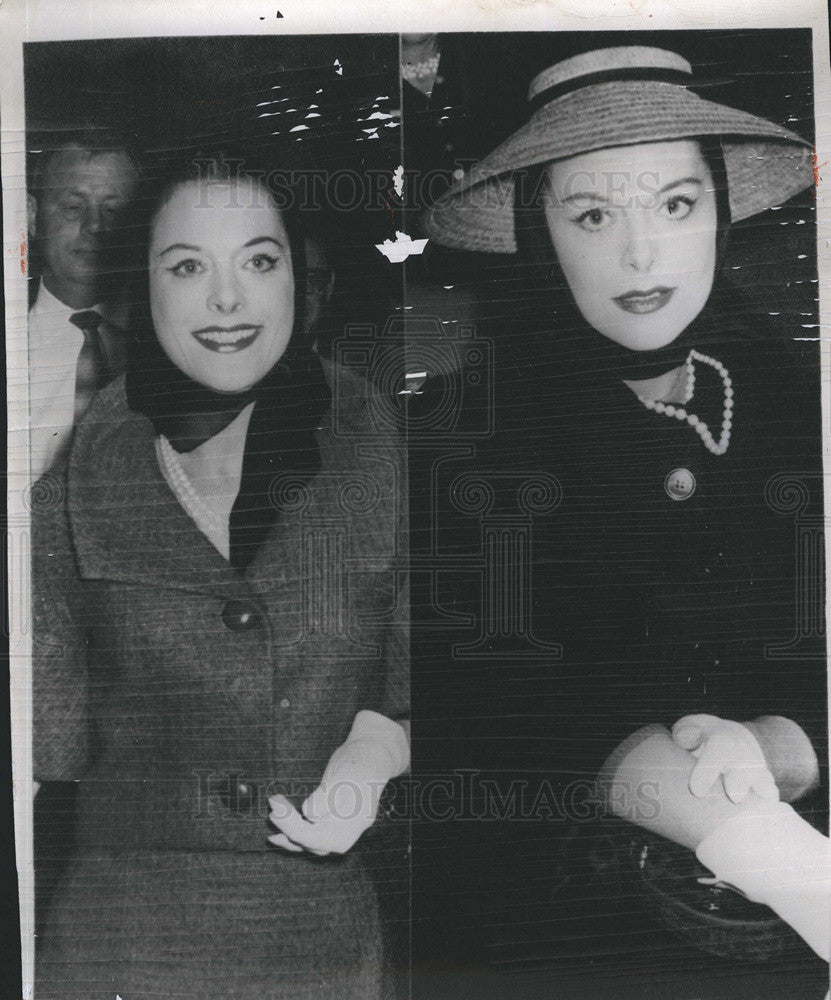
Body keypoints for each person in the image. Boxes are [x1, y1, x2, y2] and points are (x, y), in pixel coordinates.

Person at [416, 43, 825, 986]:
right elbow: (521, 724)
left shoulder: (788, 395)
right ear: (536, 230)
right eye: (593, 214)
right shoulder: (470, 444)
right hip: (582, 941)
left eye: (674, 205)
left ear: (720, 209)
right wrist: (771, 846)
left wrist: (778, 743)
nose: (639, 254)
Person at [32, 152, 409, 999]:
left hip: (317, 939)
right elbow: (50, 746)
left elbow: (441, 675)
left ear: (296, 280)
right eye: (188, 266)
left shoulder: (379, 446)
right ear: (143, 288)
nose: (228, 299)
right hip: (120, 941)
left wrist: (382, 745)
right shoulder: (76, 474)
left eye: (259, 261)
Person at [27, 129, 140, 480]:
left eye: (113, 209)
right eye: (74, 207)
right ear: (31, 216)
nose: (95, 225)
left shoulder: (172, 341)